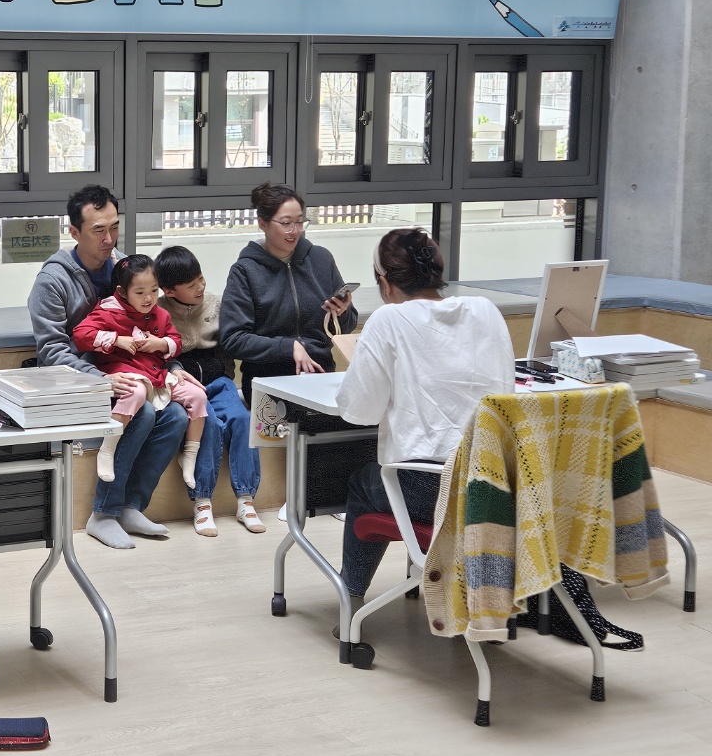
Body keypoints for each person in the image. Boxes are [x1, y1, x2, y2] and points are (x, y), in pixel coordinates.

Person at [334, 228, 515, 626]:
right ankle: (419, 581)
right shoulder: (486, 311)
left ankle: (351, 601)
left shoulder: (388, 319)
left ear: (384, 282)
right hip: (495, 485)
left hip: (429, 489)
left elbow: (358, 411)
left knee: (364, 482)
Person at [27, 184, 192, 550]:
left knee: (177, 416)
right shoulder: (52, 281)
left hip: (132, 373)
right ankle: (102, 513)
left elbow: (155, 327)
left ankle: (132, 506)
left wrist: (173, 365)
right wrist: (101, 378)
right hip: (80, 382)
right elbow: (51, 351)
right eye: (98, 230)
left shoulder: (126, 270)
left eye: (114, 227)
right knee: (142, 412)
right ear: (74, 232)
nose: (109, 238)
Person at [155, 245, 265, 537]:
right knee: (210, 426)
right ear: (169, 291)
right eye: (191, 285)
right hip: (184, 387)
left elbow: (231, 346)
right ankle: (202, 502)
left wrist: (225, 373)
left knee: (243, 419)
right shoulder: (158, 313)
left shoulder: (217, 305)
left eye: (201, 278)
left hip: (219, 382)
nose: (200, 287)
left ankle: (245, 500)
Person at [72, 254, 209, 485]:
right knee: (135, 391)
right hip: (127, 374)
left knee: (198, 395)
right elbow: (81, 335)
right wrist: (116, 340)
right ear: (122, 292)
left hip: (156, 376)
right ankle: (107, 449)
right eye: (140, 292)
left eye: (154, 290)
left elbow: (176, 341)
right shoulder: (107, 311)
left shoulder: (160, 314)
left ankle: (190, 455)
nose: (149, 298)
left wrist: (161, 343)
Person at [219, 182, 358, 400]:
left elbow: (345, 327)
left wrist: (342, 312)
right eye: (285, 223)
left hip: (319, 375)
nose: (295, 230)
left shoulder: (321, 259)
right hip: (267, 381)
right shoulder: (245, 270)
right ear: (263, 223)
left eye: (299, 221)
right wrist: (287, 347)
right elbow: (233, 339)